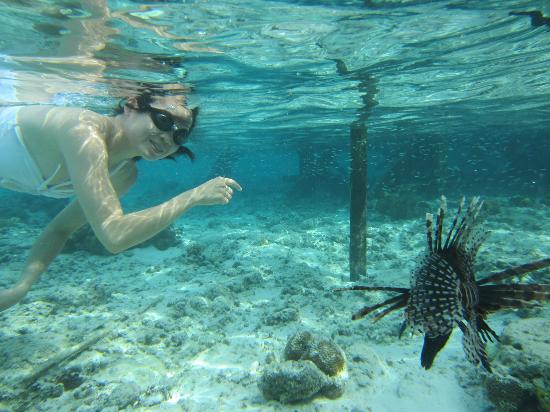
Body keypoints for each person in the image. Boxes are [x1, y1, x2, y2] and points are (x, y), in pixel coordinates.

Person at [0, 89, 242, 312]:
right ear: (132, 103)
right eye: (164, 120)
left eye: (179, 135)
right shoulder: (83, 131)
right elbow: (114, 236)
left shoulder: (124, 174)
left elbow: (60, 229)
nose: (168, 138)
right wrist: (194, 196)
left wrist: (21, 287)